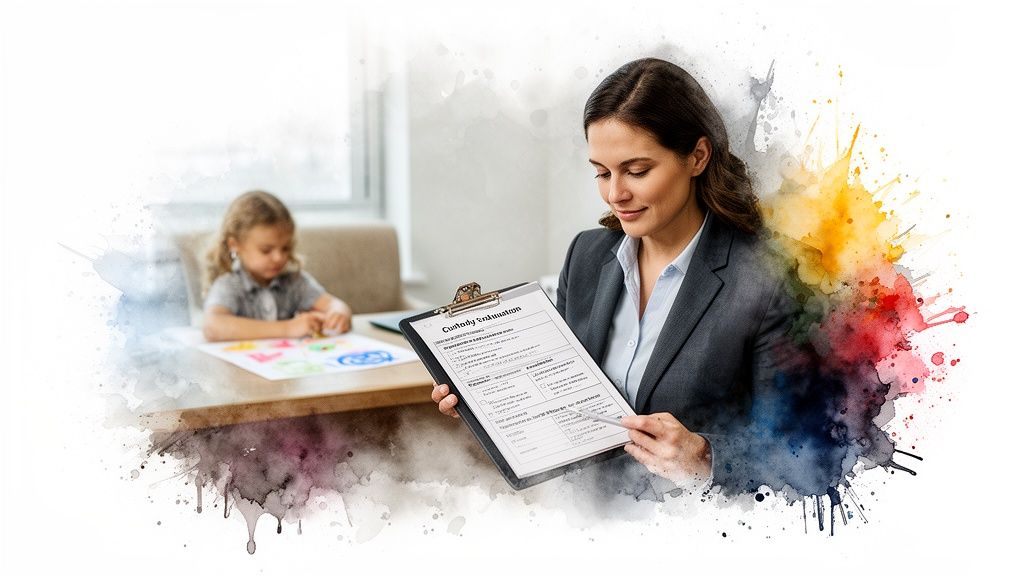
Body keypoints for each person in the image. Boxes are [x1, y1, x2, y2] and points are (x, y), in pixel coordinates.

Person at [432, 58, 842, 497]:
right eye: (602, 172)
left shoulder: (772, 277)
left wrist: (706, 457)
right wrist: (491, 398)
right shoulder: (587, 255)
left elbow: (815, 456)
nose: (615, 194)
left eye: (637, 171)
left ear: (697, 157)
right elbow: (566, 398)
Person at [202, 190, 353, 342]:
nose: (278, 257)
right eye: (266, 250)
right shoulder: (229, 285)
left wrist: (339, 313)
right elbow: (212, 327)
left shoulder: (294, 281)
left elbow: (333, 304)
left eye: (286, 248)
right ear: (235, 245)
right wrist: (288, 328)